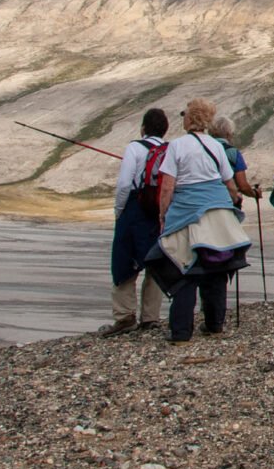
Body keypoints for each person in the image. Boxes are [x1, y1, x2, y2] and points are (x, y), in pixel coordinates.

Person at [147, 98, 251, 343]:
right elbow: (230, 184)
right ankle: (215, 324)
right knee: (216, 268)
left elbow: (167, 187)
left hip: (187, 214)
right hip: (218, 213)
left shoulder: (177, 146)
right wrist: (233, 207)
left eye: (185, 115)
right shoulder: (216, 147)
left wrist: (163, 214)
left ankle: (181, 332)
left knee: (185, 270)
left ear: (190, 118)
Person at [103, 107, 168, 335]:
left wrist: (119, 211)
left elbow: (123, 185)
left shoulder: (134, 147)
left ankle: (124, 316)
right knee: (155, 263)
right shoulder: (169, 149)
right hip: (158, 213)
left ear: (143, 128)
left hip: (134, 211)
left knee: (123, 261)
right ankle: (151, 317)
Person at [208, 116, 258, 202]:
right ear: (228, 134)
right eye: (232, 133)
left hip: (206, 200)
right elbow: (243, 186)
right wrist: (255, 194)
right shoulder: (233, 153)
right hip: (228, 201)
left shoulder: (203, 150)